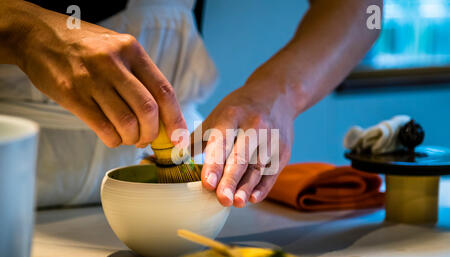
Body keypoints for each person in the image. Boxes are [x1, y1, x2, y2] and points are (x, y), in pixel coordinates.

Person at [0, 0, 381, 208]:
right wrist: (24, 29)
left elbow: (362, 8)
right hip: (10, 173)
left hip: (179, 180)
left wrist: (276, 95)